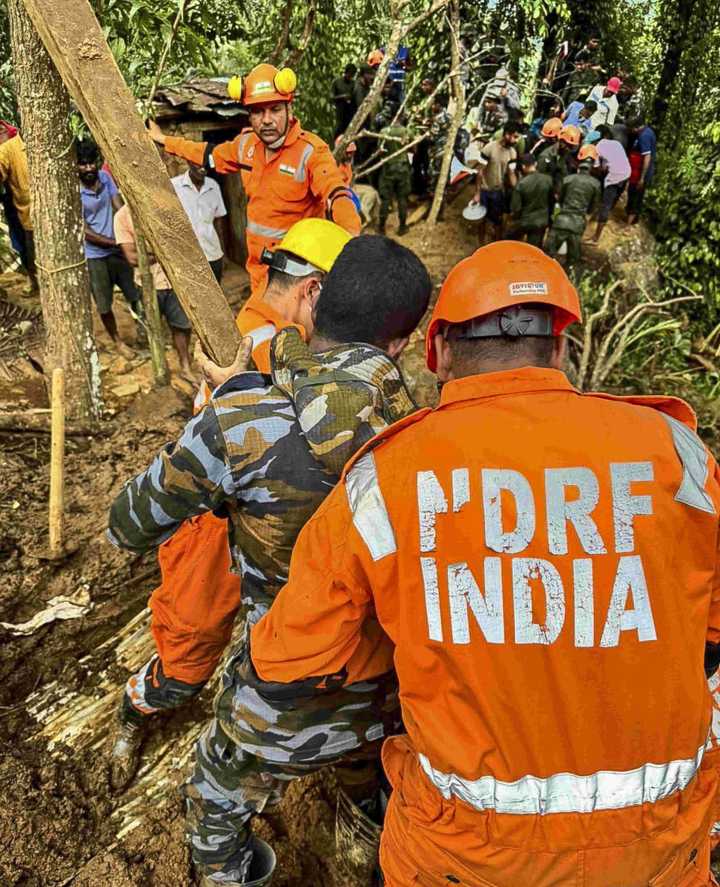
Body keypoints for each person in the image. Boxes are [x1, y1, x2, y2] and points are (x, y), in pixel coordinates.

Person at [250, 240, 720, 887]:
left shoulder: (386, 479)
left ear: (436, 353)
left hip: (462, 858)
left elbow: (285, 659)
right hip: (658, 852)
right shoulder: (675, 450)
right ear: (561, 349)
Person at [108, 235, 433, 885]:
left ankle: (231, 871)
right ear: (403, 344)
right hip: (390, 697)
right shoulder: (435, 435)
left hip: (275, 694)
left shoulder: (242, 419)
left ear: (313, 300)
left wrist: (236, 411)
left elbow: (128, 525)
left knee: (214, 798)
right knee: (374, 781)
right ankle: (365, 828)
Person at [106, 218, 353, 792]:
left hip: (282, 522)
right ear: (312, 289)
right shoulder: (252, 342)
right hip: (218, 525)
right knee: (188, 650)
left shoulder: (279, 335)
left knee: (278, 640)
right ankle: (139, 705)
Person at [147, 63, 360, 296]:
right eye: (257, 111)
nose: (266, 120)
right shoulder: (247, 145)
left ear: (290, 109)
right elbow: (208, 154)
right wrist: (164, 140)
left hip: (298, 276)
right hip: (259, 271)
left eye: (275, 109)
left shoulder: (310, 151)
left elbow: (336, 192)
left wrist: (352, 243)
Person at [113, 204, 194, 377]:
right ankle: (160, 370)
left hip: (174, 281)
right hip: (148, 284)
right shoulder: (122, 217)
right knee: (153, 328)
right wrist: (162, 253)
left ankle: (185, 367)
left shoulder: (162, 208)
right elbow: (133, 258)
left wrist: (153, 252)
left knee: (182, 326)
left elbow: (180, 243)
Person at [78, 140, 141, 358]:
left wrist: (130, 229)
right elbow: (84, 231)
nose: (88, 168)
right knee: (104, 303)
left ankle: (142, 331)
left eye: (91, 163)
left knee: (135, 293)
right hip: (95, 256)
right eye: (83, 164)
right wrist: (116, 242)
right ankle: (117, 341)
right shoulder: (75, 192)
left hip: (118, 250)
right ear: (76, 166)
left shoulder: (105, 179)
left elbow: (119, 206)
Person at [171, 161, 227, 283]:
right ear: (189, 162)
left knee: (215, 295)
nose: (203, 169)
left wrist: (222, 252)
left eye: (206, 165)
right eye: (198, 164)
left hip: (213, 253)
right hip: (188, 257)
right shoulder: (174, 186)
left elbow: (218, 221)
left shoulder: (213, 186)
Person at [546, 150, 601, 270]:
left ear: (578, 165)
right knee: (572, 260)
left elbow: (559, 200)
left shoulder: (568, 179)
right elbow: (592, 208)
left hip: (561, 220)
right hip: (577, 224)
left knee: (546, 255)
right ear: (591, 167)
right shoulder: (595, 184)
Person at [0, 123, 36, 290]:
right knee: (26, 246)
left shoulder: (7, 132)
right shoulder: (8, 148)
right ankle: (33, 279)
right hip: (20, 205)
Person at [472, 121, 521, 243]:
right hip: (484, 189)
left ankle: (496, 245)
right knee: (481, 219)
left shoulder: (512, 153)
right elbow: (480, 171)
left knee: (498, 221)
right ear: (507, 135)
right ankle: (481, 245)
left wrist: (518, 190)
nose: (516, 140)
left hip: (498, 191)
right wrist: (477, 193)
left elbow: (511, 173)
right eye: (515, 136)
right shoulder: (489, 148)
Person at [592, 125, 631, 242]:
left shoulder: (597, 147)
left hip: (615, 176)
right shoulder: (617, 143)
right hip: (626, 172)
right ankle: (604, 215)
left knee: (605, 204)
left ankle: (595, 237)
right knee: (610, 201)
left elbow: (597, 169)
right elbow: (615, 159)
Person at [378, 115, 413, 236]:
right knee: (402, 198)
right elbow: (413, 148)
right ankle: (402, 227)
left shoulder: (383, 132)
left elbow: (380, 151)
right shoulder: (406, 131)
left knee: (386, 199)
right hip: (402, 169)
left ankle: (381, 227)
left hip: (388, 169)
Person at [509, 153, 553, 248]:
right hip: (541, 222)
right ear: (536, 164)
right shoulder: (548, 180)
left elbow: (516, 208)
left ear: (523, 166)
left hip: (525, 221)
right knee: (534, 250)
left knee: (510, 242)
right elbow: (552, 202)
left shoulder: (521, 184)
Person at [626, 115, 657, 225]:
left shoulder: (644, 136)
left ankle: (628, 225)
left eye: (631, 129)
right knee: (632, 193)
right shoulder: (645, 131)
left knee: (636, 197)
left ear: (636, 127)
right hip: (638, 171)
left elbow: (647, 157)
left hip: (642, 173)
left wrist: (642, 178)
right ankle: (630, 219)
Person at [331, 63, 357, 137]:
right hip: (340, 112)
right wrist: (342, 97)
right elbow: (331, 98)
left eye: (352, 75)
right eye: (349, 74)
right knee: (338, 130)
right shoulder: (337, 82)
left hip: (350, 112)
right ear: (346, 72)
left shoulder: (354, 83)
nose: (350, 77)